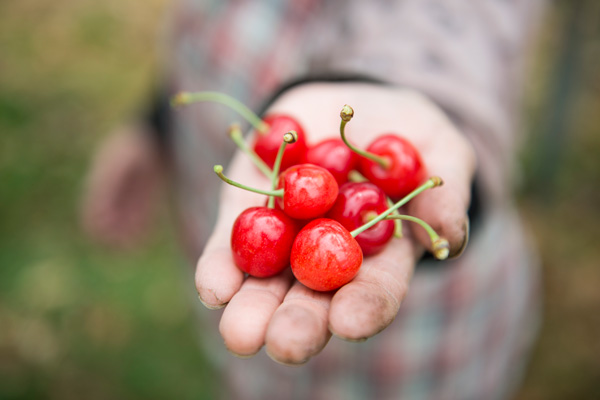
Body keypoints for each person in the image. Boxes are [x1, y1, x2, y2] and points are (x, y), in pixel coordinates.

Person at [82, 0, 545, 398]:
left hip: (414, 346)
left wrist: (408, 92)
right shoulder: (270, 202)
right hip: (235, 263)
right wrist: (155, 122)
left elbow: (457, 22)